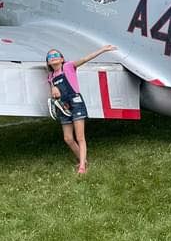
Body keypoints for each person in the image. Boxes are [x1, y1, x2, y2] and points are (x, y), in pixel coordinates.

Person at [46, 44, 118, 175]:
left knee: (80, 137)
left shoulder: (68, 67)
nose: (53, 57)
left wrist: (103, 49)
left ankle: (82, 167)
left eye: (56, 55)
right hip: (63, 107)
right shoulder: (50, 76)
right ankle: (83, 160)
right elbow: (54, 90)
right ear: (48, 62)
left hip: (76, 103)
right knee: (68, 138)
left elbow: (85, 59)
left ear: (62, 59)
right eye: (50, 57)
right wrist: (53, 89)